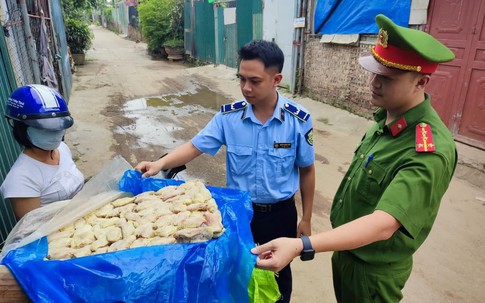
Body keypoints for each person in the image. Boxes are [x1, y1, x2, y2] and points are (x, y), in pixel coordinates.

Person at [251, 14, 458, 302]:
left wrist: (303, 245)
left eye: (387, 78)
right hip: (349, 251)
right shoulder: (386, 119)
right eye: (375, 73)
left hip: (373, 271)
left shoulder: (428, 149)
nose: (374, 83)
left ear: (420, 82)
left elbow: (385, 224)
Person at [135, 40, 315, 302]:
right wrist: (159, 164)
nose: (245, 88)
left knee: (278, 278)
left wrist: (307, 218)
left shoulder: (298, 120)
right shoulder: (229, 118)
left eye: (254, 81)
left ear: (276, 79)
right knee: (236, 272)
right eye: (241, 79)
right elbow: (195, 146)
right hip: (238, 213)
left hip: (279, 215)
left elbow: (307, 170)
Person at [0, 84, 84, 220]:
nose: (55, 134)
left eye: (59, 127)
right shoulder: (20, 179)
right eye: (46, 129)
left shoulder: (62, 148)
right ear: (21, 128)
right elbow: (33, 229)